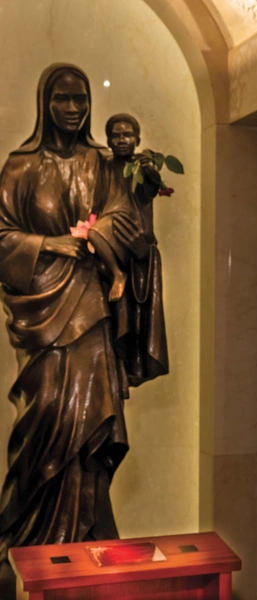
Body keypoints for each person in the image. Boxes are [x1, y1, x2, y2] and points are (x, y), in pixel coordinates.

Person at [0, 64, 129, 564]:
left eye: (81, 100)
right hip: (41, 310)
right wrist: (48, 243)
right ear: (44, 104)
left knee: (94, 419)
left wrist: (94, 237)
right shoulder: (18, 167)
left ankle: (87, 529)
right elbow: (2, 235)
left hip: (91, 306)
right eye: (63, 100)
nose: (73, 109)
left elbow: (121, 217)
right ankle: (30, 534)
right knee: (48, 409)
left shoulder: (100, 164)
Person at [91, 113, 168, 386]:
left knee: (134, 320)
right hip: (108, 235)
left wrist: (149, 167)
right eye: (116, 135)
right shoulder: (105, 167)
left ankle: (132, 362)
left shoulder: (140, 167)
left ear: (137, 138)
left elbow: (152, 184)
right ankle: (116, 274)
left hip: (136, 243)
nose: (122, 140)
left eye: (127, 135)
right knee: (95, 233)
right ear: (109, 140)